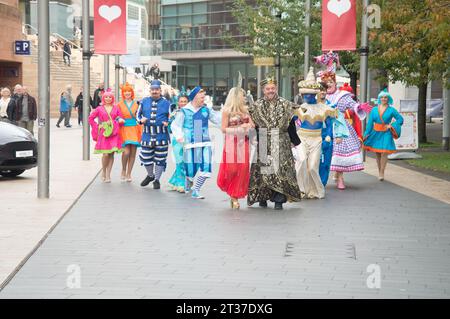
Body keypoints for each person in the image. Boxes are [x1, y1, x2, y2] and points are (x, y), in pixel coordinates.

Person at [247, 76, 302, 210]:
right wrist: (253, 138)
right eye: (268, 89)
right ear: (263, 90)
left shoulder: (286, 104)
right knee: (264, 170)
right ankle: (263, 197)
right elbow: (253, 125)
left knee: (280, 170)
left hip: (281, 140)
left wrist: (296, 142)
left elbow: (291, 125)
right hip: (264, 139)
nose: (270, 91)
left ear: (276, 89)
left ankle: (279, 200)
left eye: (272, 88)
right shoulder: (256, 106)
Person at [293, 68, 338, 199]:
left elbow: (329, 123)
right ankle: (300, 189)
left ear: (315, 94)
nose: (308, 96)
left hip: (316, 139)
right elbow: (291, 123)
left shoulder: (324, 108)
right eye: (305, 94)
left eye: (310, 94)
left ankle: (315, 190)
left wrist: (329, 135)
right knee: (301, 162)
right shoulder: (299, 108)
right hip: (302, 138)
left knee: (313, 166)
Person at [321, 70, 371, 190]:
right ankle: (323, 177)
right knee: (323, 153)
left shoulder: (342, 96)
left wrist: (358, 107)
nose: (328, 84)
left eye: (330, 82)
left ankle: (340, 177)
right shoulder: (321, 96)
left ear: (335, 83)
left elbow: (352, 104)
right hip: (324, 126)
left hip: (339, 126)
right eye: (326, 83)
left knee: (339, 151)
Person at [170, 86, 222, 199]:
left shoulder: (206, 110)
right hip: (190, 144)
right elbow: (175, 125)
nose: (203, 99)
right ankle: (188, 181)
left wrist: (231, 119)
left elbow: (218, 119)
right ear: (194, 98)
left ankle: (196, 190)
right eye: (201, 97)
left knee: (206, 168)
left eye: (204, 97)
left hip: (205, 142)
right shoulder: (184, 111)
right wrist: (179, 137)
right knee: (191, 171)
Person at [217, 86, 255, 209]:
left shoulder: (246, 110)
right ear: (237, 97)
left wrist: (247, 126)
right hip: (231, 143)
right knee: (232, 169)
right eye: (243, 96)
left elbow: (252, 125)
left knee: (243, 169)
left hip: (243, 142)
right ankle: (231, 191)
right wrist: (239, 129)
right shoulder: (226, 111)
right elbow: (223, 129)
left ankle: (235, 196)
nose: (245, 98)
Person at [137, 80, 171, 189]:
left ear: (160, 91)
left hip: (162, 136)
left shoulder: (167, 102)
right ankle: (150, 175)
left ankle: (157, 179)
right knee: (146, 157)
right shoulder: (144, 101)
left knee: (160, 158)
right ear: (150, 90)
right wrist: (140, 120)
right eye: (153, 90)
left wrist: (168, 122)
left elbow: (172, 116)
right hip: (147, 135)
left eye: (157, 90)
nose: (155, 91)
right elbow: (137, 115)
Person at [363, 90, 404, 181]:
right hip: (375, 132)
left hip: (386, 133)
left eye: (385, 97)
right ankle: (379, 171)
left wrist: (392, 125)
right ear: (379, 98)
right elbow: (370, 123)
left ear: (388, 99)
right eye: (382, 97)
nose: (383, 99)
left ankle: (382, 172)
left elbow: (400, 119)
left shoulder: (391, 110)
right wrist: (366, 134)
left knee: (384, 152)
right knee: (378, 153)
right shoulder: (374, 110)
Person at [88, 89, 124, 183]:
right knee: (105, 154)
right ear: (104, 98)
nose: (108, 98)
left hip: (114, 132)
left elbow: (120, 117)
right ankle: (103, 171)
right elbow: (90, 118)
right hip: (104, 132)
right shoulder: (99, 108)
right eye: (106, 97)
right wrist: (97, 126)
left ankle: (108, 174)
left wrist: (119, 121)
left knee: (111, 154)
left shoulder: (116, 108)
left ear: (112, 98)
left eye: (110, 97)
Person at [117, 83, 142, 182]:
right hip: (124, 128)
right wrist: (119, 119)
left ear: (132, 93)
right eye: (125, 91)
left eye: (129, 91)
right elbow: (116, 115)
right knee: (126, 152)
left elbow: (140, 115)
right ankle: (123, 169)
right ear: (123, 93)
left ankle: (129, 173)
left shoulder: (137, 104)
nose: (127, 93)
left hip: (135, 128)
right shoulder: (119, 104)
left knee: (133, 153)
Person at [167, 93, 189, 192]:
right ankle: (181, 185)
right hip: (177, 140)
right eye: (181, 101)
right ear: (178, 103)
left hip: (188, 139)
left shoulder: (190, 112)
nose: (183, 103)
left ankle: (173, 181)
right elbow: (171, 127)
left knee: (186, 162)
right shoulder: (175, 113)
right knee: (179, 162)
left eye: (185, 101)